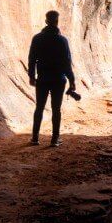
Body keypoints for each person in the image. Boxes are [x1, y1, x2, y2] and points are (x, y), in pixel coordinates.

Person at [27, 10, 76, 146]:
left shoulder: (37, 38)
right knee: (56, 109)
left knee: (39, 108)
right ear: (56, 22)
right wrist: (72, 81)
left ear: (46, 21)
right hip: (58, 80)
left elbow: (32, 59)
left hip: (42, 79)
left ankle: (35, 138)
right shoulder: (62, 40)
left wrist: (31, 76)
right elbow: (67, 63)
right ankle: (54, 139)